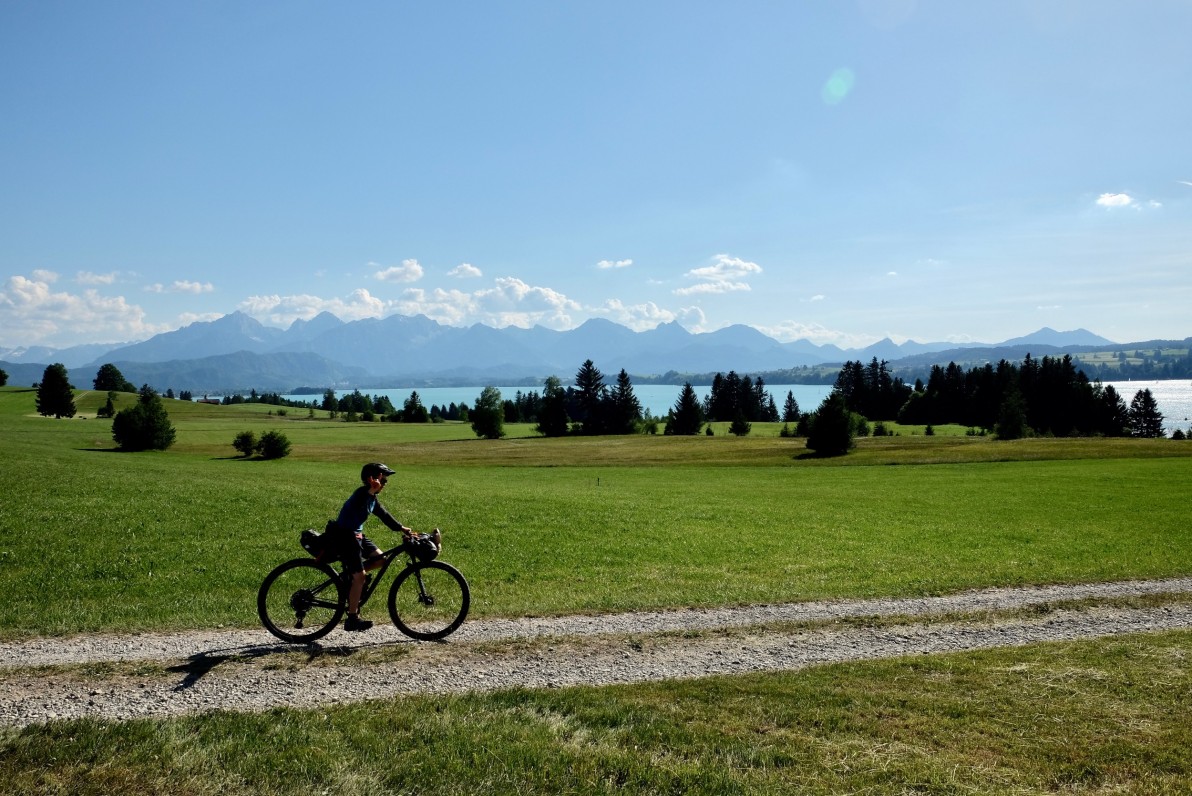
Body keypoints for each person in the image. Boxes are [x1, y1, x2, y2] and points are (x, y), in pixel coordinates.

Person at [330, 462, 421, 632]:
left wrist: (402, 528)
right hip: (345, 535)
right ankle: (352, 619)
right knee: (360, 578)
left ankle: (350, 576)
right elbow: (359, 506)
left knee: (381, 559)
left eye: (385, 481)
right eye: (383, 481)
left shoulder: (371, 498)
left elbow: (384, 515)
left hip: (356, 535)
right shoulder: (362, 494)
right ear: (371, 479)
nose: (385, 484)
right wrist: (372, 490)